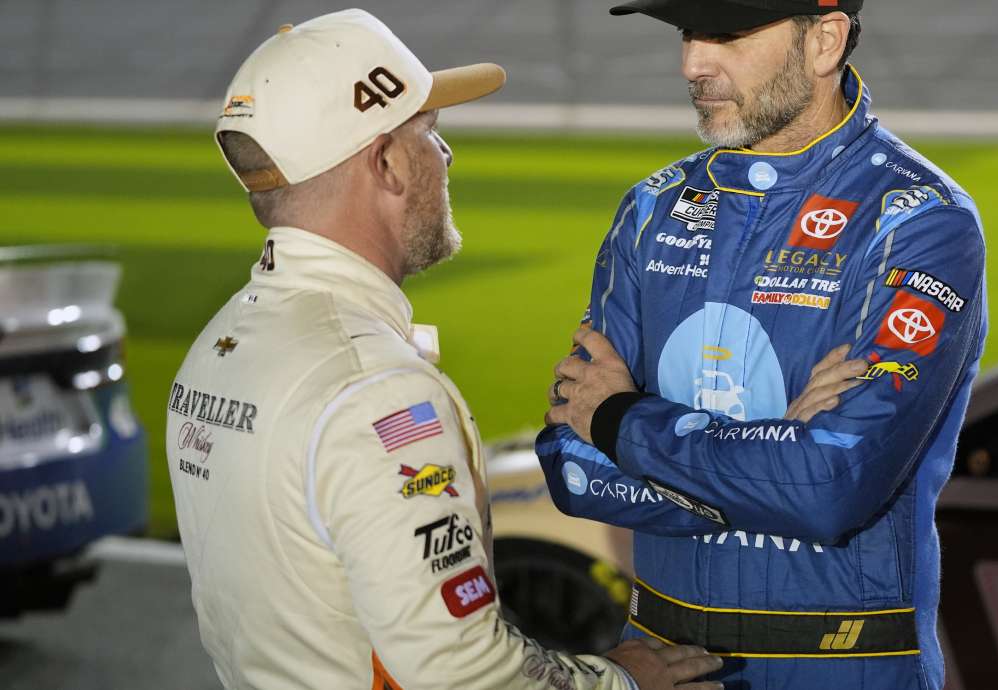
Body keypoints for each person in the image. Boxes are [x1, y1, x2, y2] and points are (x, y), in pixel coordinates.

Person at [166, 9, 724, 690]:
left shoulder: (218, 345)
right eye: (429, 132)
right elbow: (458, 672)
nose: (446, 154)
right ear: (388, 162)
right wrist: (621, 681)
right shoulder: (376, 392)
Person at [534, 1, 989, 688]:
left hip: (843, 670)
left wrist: (621, 421)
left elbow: (832, 488)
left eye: (727, 34)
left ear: (825, 41)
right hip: (662, 667)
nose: (692, 63)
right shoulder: (653, 208)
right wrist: (778, 453)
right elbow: (570, 465)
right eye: (688, 34)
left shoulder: (920, 221)